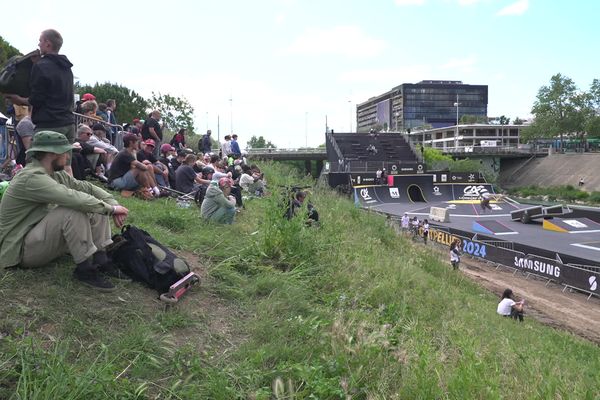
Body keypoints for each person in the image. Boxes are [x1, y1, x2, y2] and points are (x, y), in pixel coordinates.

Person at [0, 131, 129, 291]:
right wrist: (112, 209)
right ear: (54, 153)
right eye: (66, 152)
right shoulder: (32, 178)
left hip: (36, 238)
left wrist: (111, 203)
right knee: (73, 209)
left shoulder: (54, 173)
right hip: (19, 250)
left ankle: (100, 259)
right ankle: (84, 270)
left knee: (95, 205)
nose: (68, 157)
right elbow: (72, 197)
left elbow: (86, 187)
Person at [3, 29, 75, 173]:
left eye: (41, 41)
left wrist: (18, 99)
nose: (38, 44)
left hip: (50, 124)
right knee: (65, 165)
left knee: (37, 165)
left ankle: (38, 195)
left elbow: (36, 99)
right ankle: (66, 194)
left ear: (48, 44)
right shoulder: (67, 68)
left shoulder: (41, 66)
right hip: (68, 123)